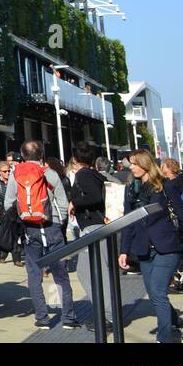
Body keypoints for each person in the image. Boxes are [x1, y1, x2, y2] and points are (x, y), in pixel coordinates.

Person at [119, 150, 183, 342]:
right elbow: (128, 222)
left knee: (157, 291)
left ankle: (164, 338)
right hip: (143, 250)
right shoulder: (130, 189)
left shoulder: (164, 186)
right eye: (130, 164)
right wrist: (124, 250)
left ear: (145, 163)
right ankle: (180, 324)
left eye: (135, 163)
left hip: (167, 246)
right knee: (156, 296)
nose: (131, 167)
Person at [6, 140, 78, 329]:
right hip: (52, 226)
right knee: (61, 274)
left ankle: (42, 317)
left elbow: (8, 203)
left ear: (22, 155)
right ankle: (68, 318)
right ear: (41, 154)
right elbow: (62, 201)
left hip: (30, 229)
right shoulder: (50, 174)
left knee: (34, 274)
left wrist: (21, 219)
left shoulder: (16, 175)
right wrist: (59, 221)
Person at [68, 141, 116, 330]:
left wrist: (75, 203)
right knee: (95, 271)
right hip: (98, 225)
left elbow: (94, 196)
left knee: (89, 272)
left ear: (75, 160)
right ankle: (106, 314)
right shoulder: (95, 173)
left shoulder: (83, 174)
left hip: (92, 227)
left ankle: (107, 316)